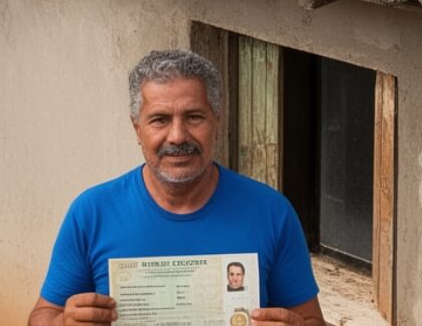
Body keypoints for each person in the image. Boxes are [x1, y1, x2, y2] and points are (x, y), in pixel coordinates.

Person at [28, 49, 325, 326]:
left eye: (194, 117)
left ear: (217, 121)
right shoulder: (92, 213)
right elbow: (42, 314)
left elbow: (311, 319)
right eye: (160, 119)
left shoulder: (271, 212)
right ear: (137, 129)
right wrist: (61, 322)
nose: (178, 135)